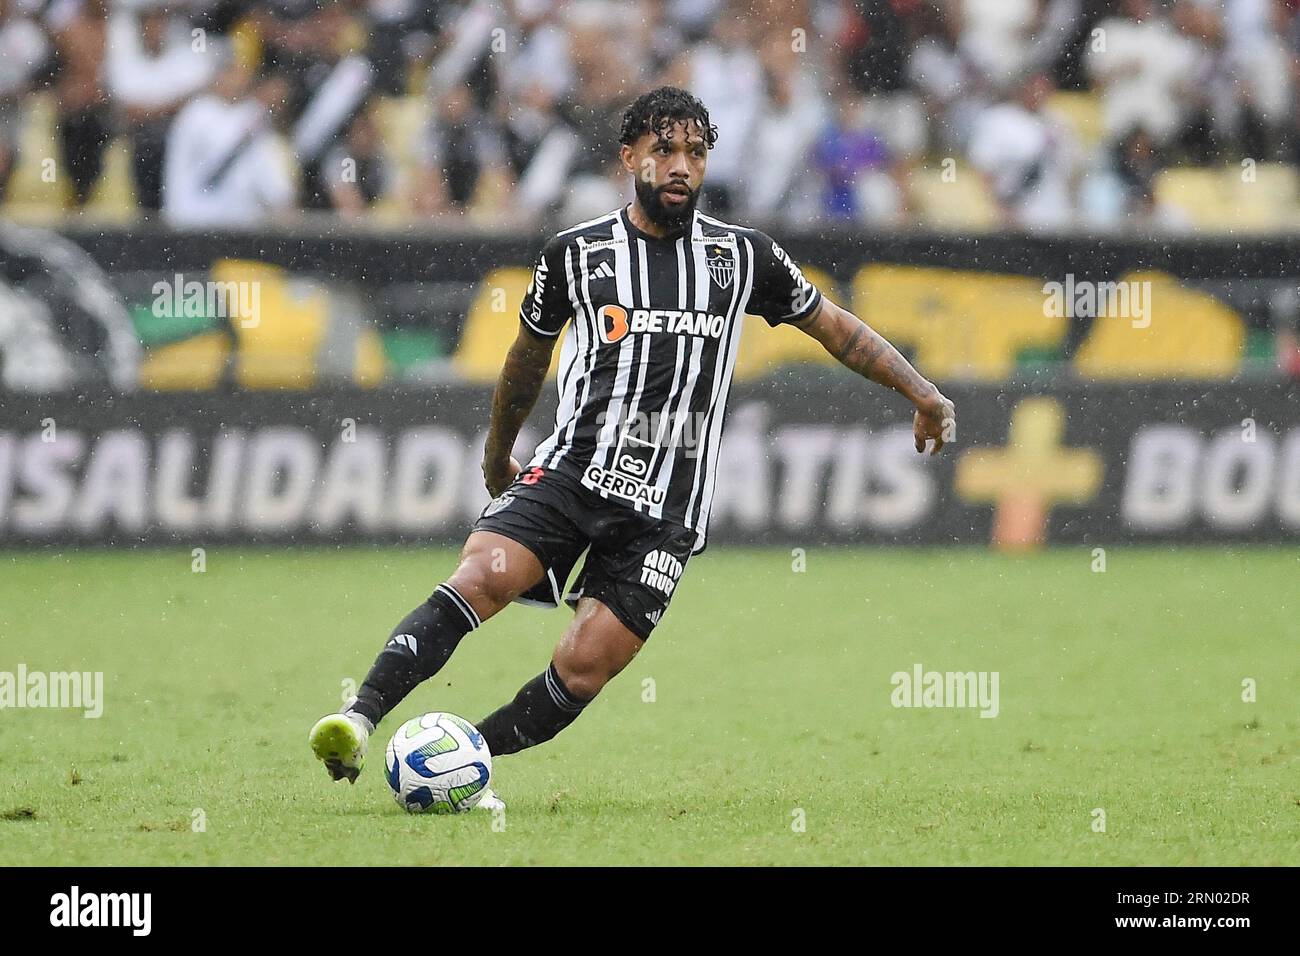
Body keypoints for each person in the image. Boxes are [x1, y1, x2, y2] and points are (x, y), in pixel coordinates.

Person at [308, 87, 956, 806]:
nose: (681, 166)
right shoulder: (577, 255)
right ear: (630, 157)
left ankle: (462, 759)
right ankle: (358, 719)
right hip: (573, 471)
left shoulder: (744, 257)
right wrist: (499, 452)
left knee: (585, 667)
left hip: (666, 508)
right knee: (484, 574)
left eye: (696, 153)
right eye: (665, 150)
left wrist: (920, 391)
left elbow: (836, 328)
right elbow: (527, 359)